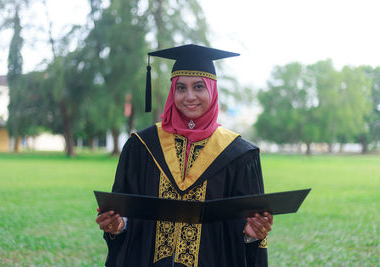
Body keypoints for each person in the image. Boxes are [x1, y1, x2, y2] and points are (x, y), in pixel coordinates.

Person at [95, 44, 273, 267]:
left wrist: (250, 234)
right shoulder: (142, 147)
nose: (189, 96)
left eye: (198, 87)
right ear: (172, 92)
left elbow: (247, 232)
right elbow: (125, 214)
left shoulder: (239, 154)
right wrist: (118, 224)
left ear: (212, 90)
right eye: (181, 88)